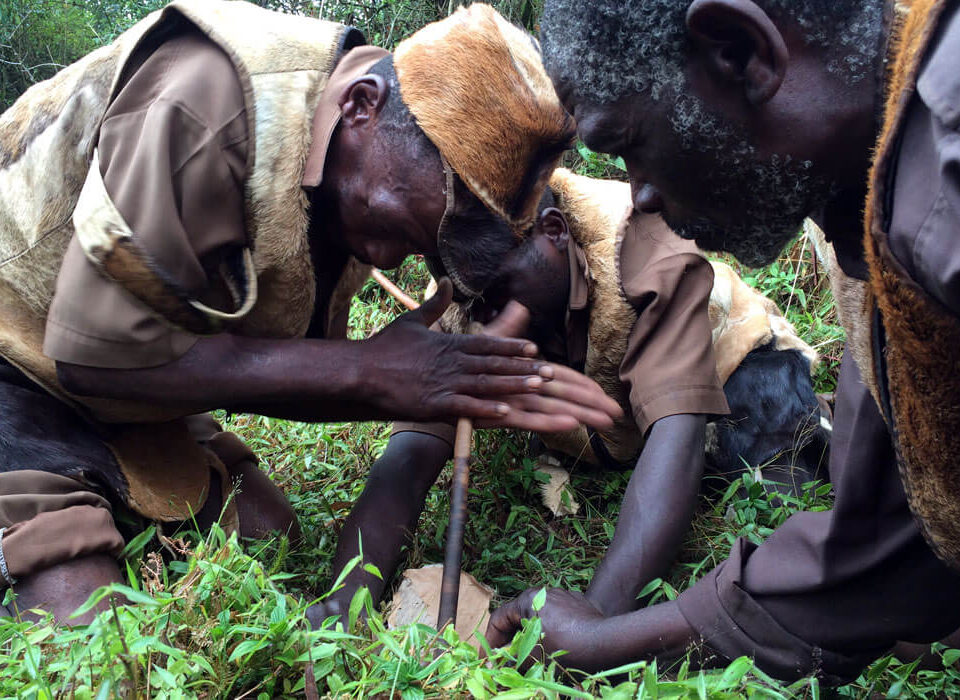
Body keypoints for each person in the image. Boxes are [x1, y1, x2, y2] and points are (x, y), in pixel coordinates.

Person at [0, 1, 622, 624]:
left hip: (137, 391)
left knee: (272, 536)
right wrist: (366, 369)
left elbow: (288, 375)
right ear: (362, 105)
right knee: (84, 628)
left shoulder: (354, 169)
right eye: (395, 227)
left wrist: (408, 385)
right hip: (23, 363)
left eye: (418, 249)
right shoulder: (204, 101)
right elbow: (89, 362)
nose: (387, 257)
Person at [486, 0, 960, 684]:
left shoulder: (938, 196)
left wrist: (605, 635)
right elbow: (881, 542)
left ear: (739, 52)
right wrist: (603, 639)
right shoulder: (869, 199)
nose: (639, 194)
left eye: (631, 145)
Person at [324, 167, 826, 621]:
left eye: (500, 292)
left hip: (736, 369)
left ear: (555, 232)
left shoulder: (646, 250)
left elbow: (678, 436)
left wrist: (593, 621)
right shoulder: (464, 295)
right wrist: (344, 601)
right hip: (615, 428)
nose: (493, 321)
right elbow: (409, 457)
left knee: (774, 485)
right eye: (477, 305)